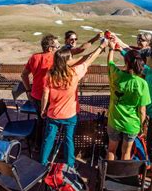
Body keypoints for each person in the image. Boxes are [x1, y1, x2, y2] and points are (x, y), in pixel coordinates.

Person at [39, 39, 108, 167]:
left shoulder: (50, 74)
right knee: (69, 139)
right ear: (66, 61)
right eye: (70, 58)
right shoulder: (74, 73)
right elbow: (89, 60)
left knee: (48, 139)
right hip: (70, 115)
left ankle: (42, 163)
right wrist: (101, 47)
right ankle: (70, 164)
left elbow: (45, 95)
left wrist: (43, 110)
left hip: (53, 114)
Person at [106, 40, 151, 160]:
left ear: (126, 62)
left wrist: (111, 49)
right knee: (126, 152)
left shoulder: (116, 75)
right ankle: (122, 176)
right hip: (132, 123)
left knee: (111, 150)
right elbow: (142, 110)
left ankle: (108, 173)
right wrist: (142, 127)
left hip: (114, 119)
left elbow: (110, 63)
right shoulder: (142, 84)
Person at [21, 34, 60, 148]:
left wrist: (28, 90)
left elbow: (24, 75)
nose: (59, 49)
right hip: (49, 97)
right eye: (57, 46)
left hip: (35, 95)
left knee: (41, 120)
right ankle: (45, 146)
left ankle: (37, 144)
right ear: (50, 49)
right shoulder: (55, 59)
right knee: (49, 123)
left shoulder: (34, 57)